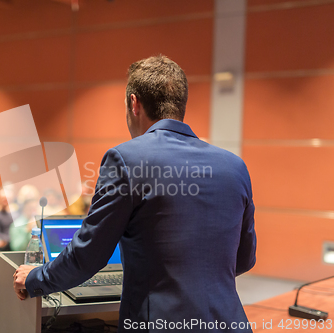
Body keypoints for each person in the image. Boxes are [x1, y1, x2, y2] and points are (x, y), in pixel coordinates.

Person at [13, 55, 257, 333]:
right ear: (180, 106)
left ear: (133, 103)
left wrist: (35, 278)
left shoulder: (126, 159)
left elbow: (89, 254)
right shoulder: (235, 167)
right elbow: (244, 259)